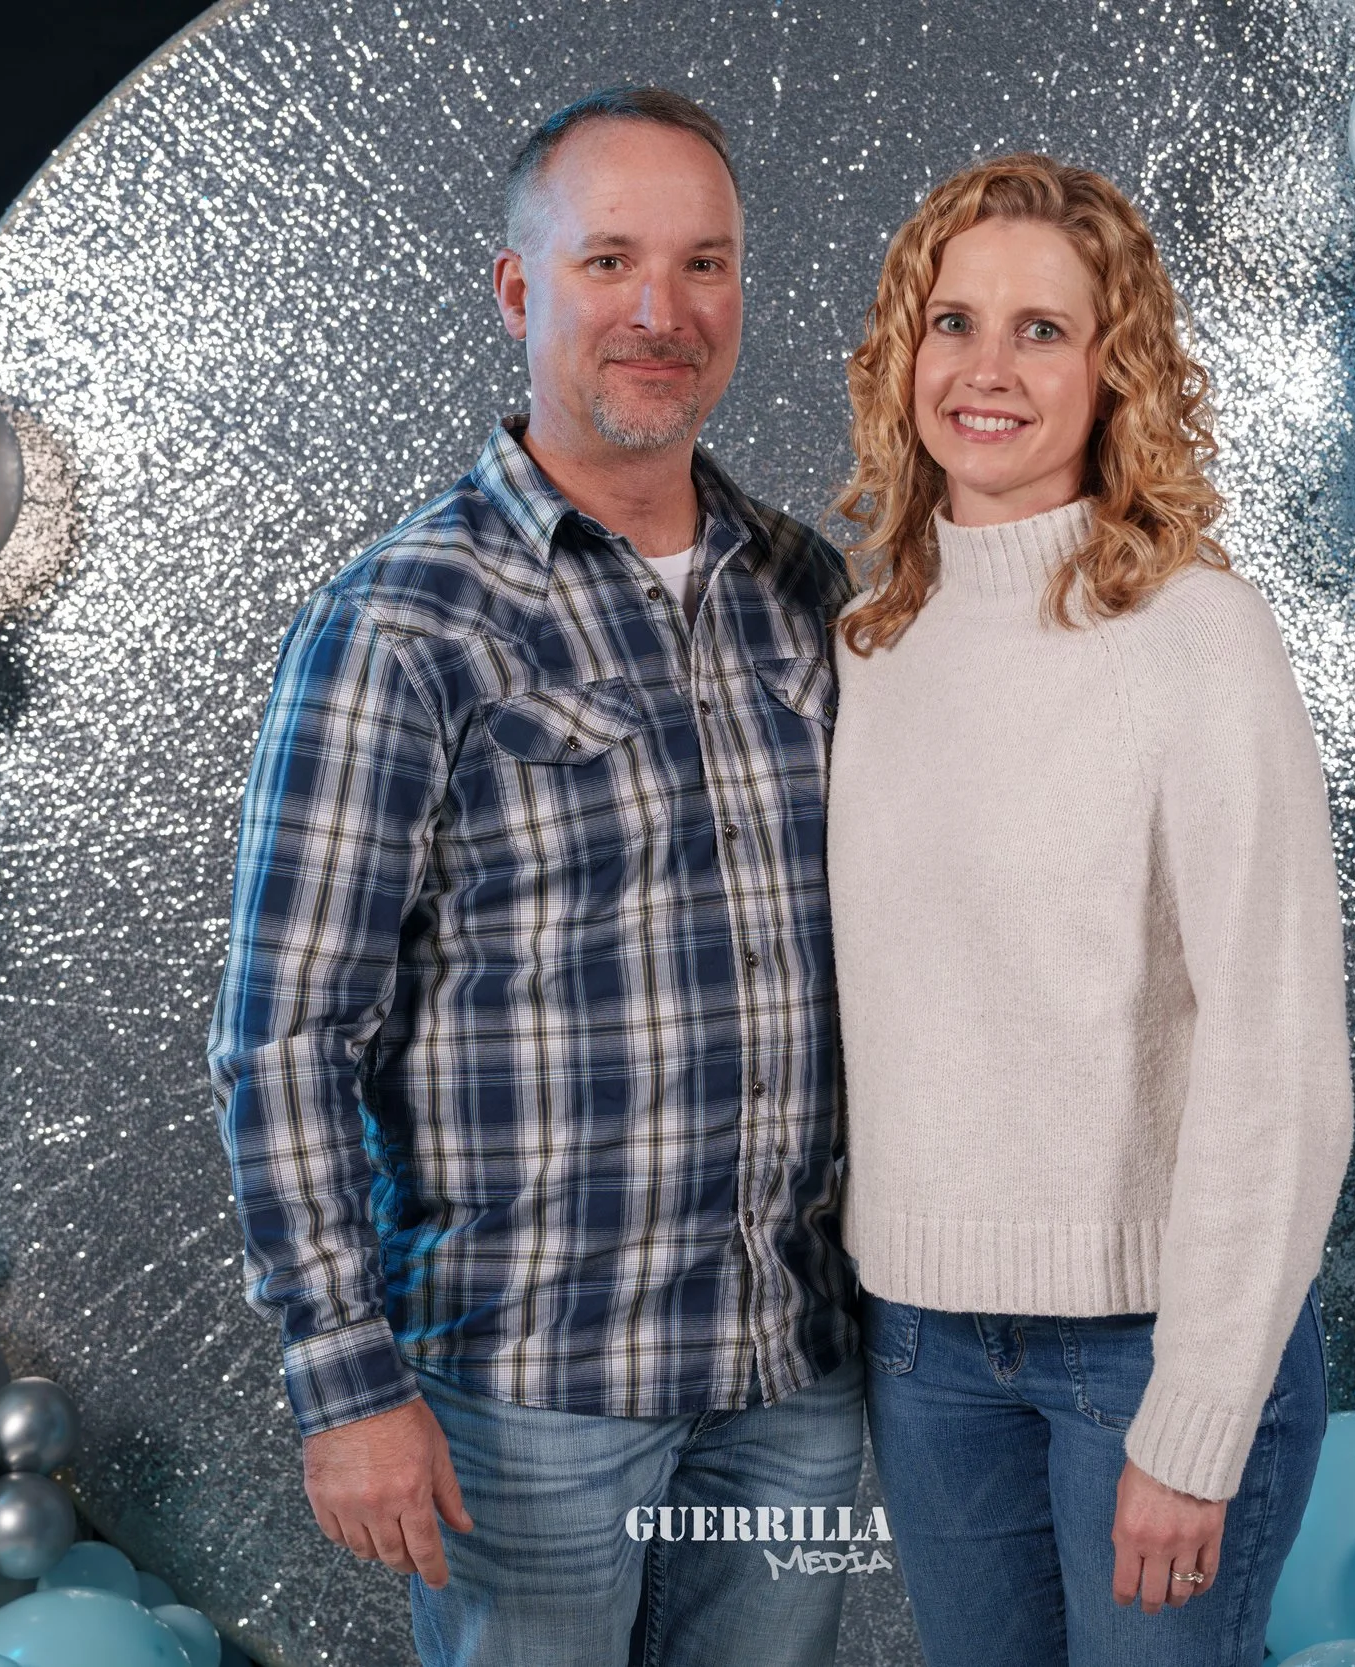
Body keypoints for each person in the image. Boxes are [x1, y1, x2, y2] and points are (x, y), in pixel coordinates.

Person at [205, 86, 865, 1667]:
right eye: (610, 262)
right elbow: (286, 1035)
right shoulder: (404, 619)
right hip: (528, 1389)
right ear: (519, 291)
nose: (662, 311)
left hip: (798, 1374)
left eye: (704, 265)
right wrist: (347, 1382)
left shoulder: (808, 587)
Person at [825, 153, 1355, 1666]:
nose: (987, 371)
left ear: (1114, 369)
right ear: (903, 354)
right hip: (924, 1342)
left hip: (1150, 1348)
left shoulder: (1191, 632)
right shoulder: (879, 637)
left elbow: (1278, 1052)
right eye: (955, 323)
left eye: (1044, 331)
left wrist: (1195, 1420)